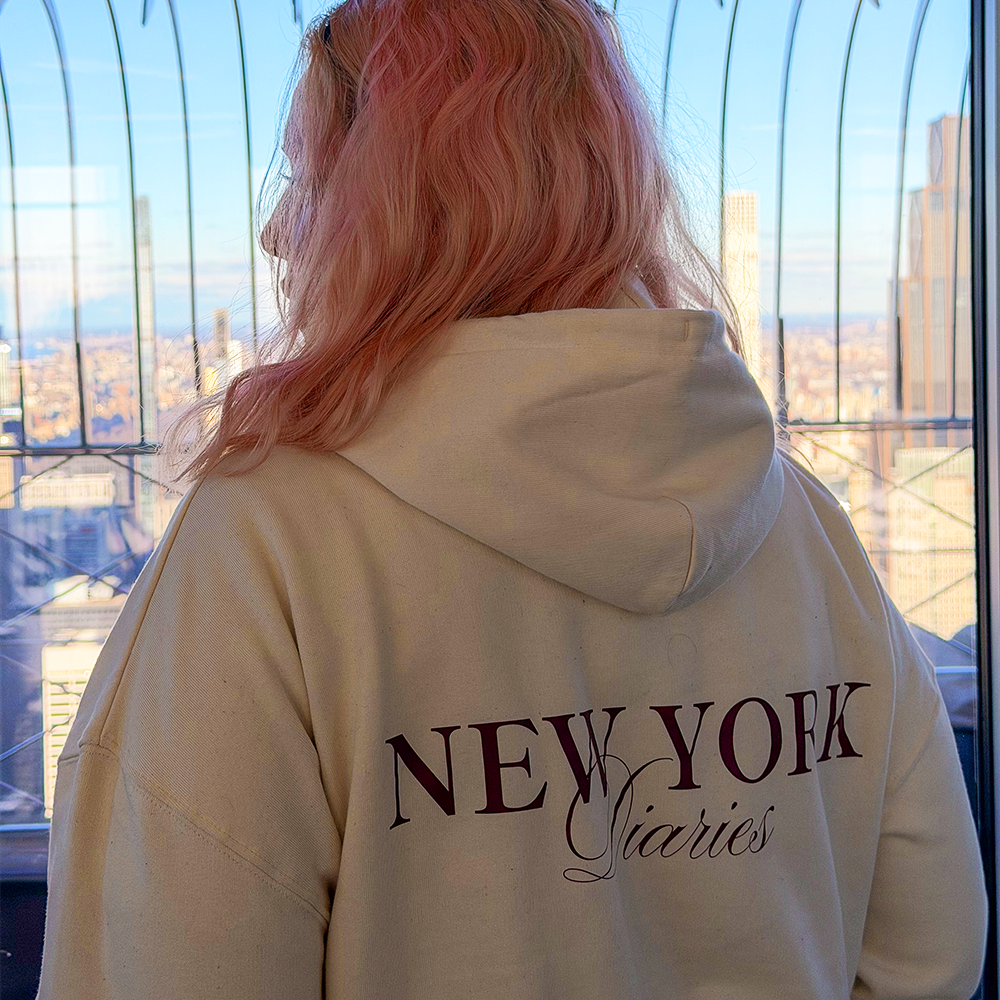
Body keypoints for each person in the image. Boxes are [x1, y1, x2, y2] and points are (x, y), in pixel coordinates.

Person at [33, 1, 988, 998]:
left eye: (310, 181)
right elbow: (931, 948)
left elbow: (161, 962)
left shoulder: (273, 536)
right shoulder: (800, 522)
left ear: (402, 208)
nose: (277, 233)